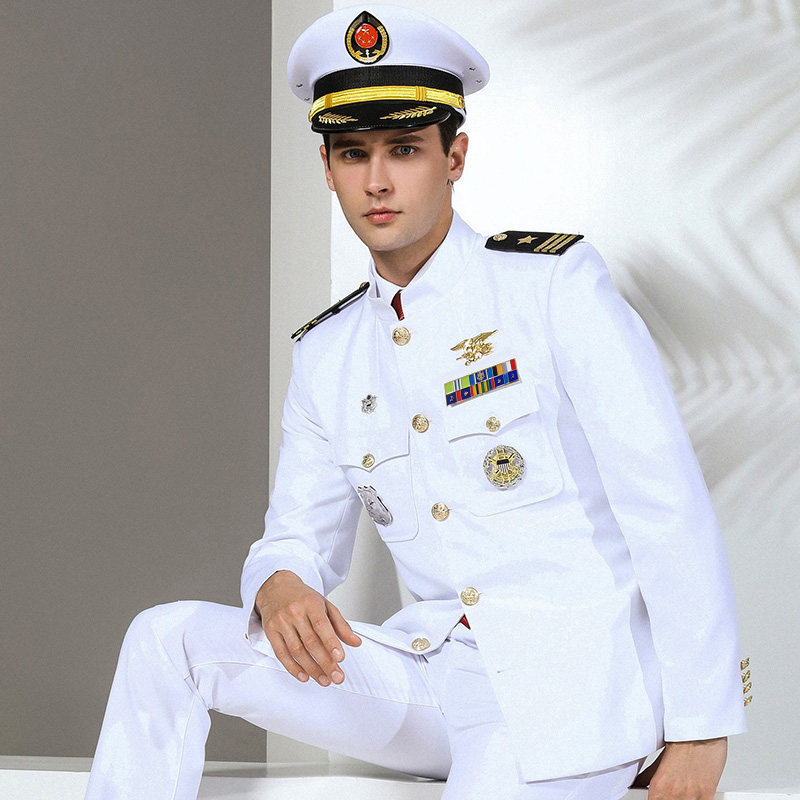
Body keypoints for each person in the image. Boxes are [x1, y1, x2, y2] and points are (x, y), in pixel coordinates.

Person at [85, 5, 752, 799]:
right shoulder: (327, 353)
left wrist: (702, 727)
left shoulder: (551, 287)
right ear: (326, 168)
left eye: (403, 149)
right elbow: (296, 534)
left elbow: (666, 504)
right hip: (434, 675)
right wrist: (279, 581)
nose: (377, 181)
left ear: (454, 156)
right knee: (167, 638)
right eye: (353, 153)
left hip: (573, 695)